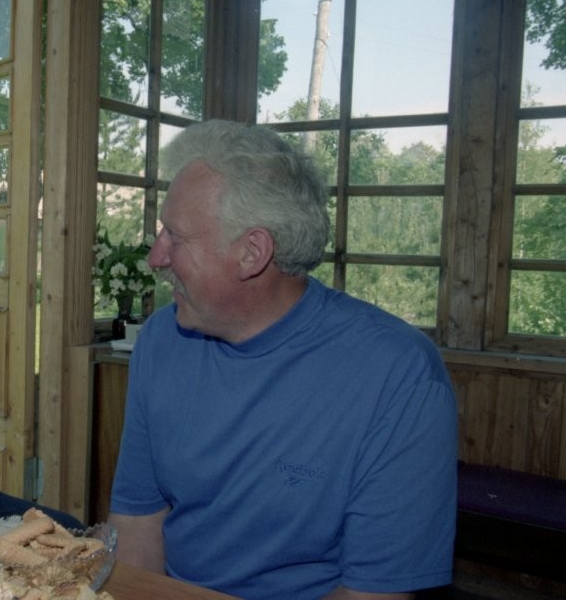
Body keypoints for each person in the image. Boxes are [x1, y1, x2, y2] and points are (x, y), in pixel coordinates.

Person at [107, 120, 457, 600]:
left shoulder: (400, 375)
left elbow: (371, 595)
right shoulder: (162, 341)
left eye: (175, 236)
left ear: (252, 252)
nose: (155, 257)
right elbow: (137, 522)